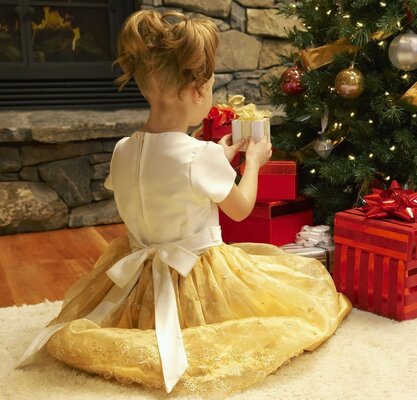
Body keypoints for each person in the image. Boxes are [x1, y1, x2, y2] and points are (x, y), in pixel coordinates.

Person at [17, 8, 351, 396]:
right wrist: (254, 162)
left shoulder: (124, 149)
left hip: (138, 272)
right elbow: (240, 208)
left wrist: (218, 157)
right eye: (209, 88)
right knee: (293, 305)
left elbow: (166, 179)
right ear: (196, 92)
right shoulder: (198, 156)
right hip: (195, 274)